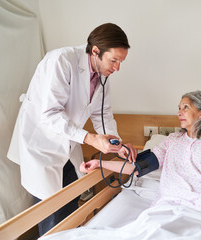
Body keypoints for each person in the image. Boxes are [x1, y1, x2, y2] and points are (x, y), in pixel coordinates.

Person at [7, 23, 137, 235]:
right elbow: (50, 114)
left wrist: (117, 144)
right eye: (114, 60)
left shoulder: (102, 76)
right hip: (42, 146)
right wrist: (91, 139)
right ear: (95, 51)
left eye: (121, 62)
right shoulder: (61, 60)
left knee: (71, 203)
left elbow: (102, 115)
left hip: (68, 143)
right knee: (52, 213)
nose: (117, 68)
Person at [81, 90, 201, 223]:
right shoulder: (172, 141)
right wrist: (99, 164)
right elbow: (137, 166)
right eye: (179, 108)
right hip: (169, 207)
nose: (179, 112)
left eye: (185, 107)